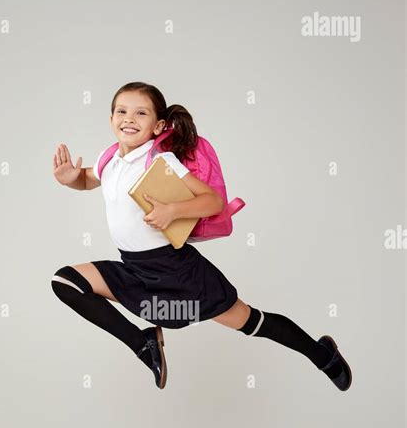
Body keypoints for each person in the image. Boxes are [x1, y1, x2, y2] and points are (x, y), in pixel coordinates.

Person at [51, 81, 352, 391]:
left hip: (178, 272)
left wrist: (172, 211)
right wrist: (72, 180)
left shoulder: (158, 161)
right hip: (134, 270)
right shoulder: (109, 159)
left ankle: (322, 354)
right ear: (111, 118)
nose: (129, 118)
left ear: (159, 126)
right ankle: (143, 344)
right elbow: (89, 180)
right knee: (66, 282)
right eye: (122, 111)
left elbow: (212, 202)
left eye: (141, 113)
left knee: (248, 322)